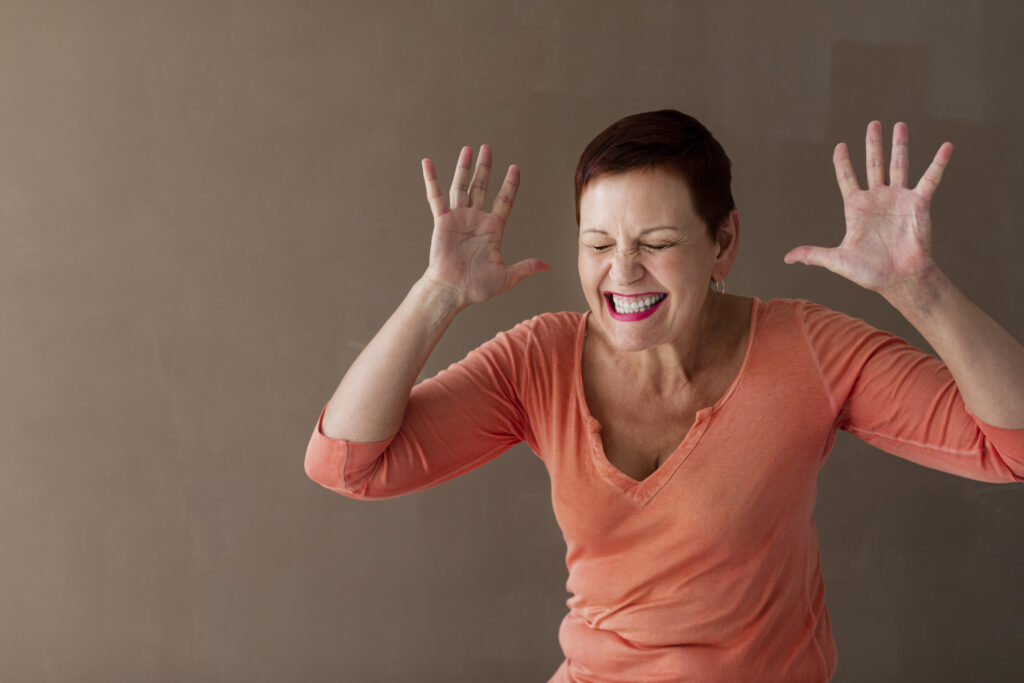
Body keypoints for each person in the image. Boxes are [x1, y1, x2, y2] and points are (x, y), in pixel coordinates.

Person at [304, 110, 1024, 682]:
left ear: (723, 242)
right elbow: (347, 463)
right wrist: (437, 295)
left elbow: (1010, 447)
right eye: (598, 244)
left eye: (654, 241)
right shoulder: (540, 358)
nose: (623, 272)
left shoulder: (809, 349)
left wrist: (918, 289)